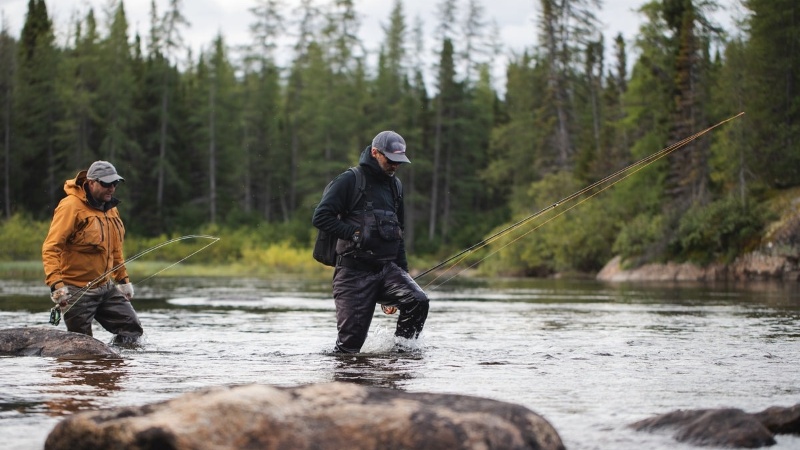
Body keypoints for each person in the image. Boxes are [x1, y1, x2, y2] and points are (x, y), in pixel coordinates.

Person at [312, 130, 429, 353]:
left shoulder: (396, 187)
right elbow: (320, 217)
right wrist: (353, 233)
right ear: (375, 153)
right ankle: (345, 384)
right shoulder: (350, 180)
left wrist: (403, 275)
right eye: (391, 160)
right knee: (349, 347)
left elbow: (398, 233)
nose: (395, 166)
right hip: (352, 274)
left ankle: (401, 357)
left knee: (417, 301)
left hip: (387, 271)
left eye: (399, 162)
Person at [42, 160, 143, 345]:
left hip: (105, 288)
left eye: (115, 183)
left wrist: (123, 281)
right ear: (91, 182)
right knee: (83, 345)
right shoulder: (70, 206)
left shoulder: (111, 209)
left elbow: (115, 250)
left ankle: (113, 365)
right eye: (106, 184)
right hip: (75, 291)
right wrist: (57, 287)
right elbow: (51, 248)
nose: (111, 188)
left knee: (132, 329)